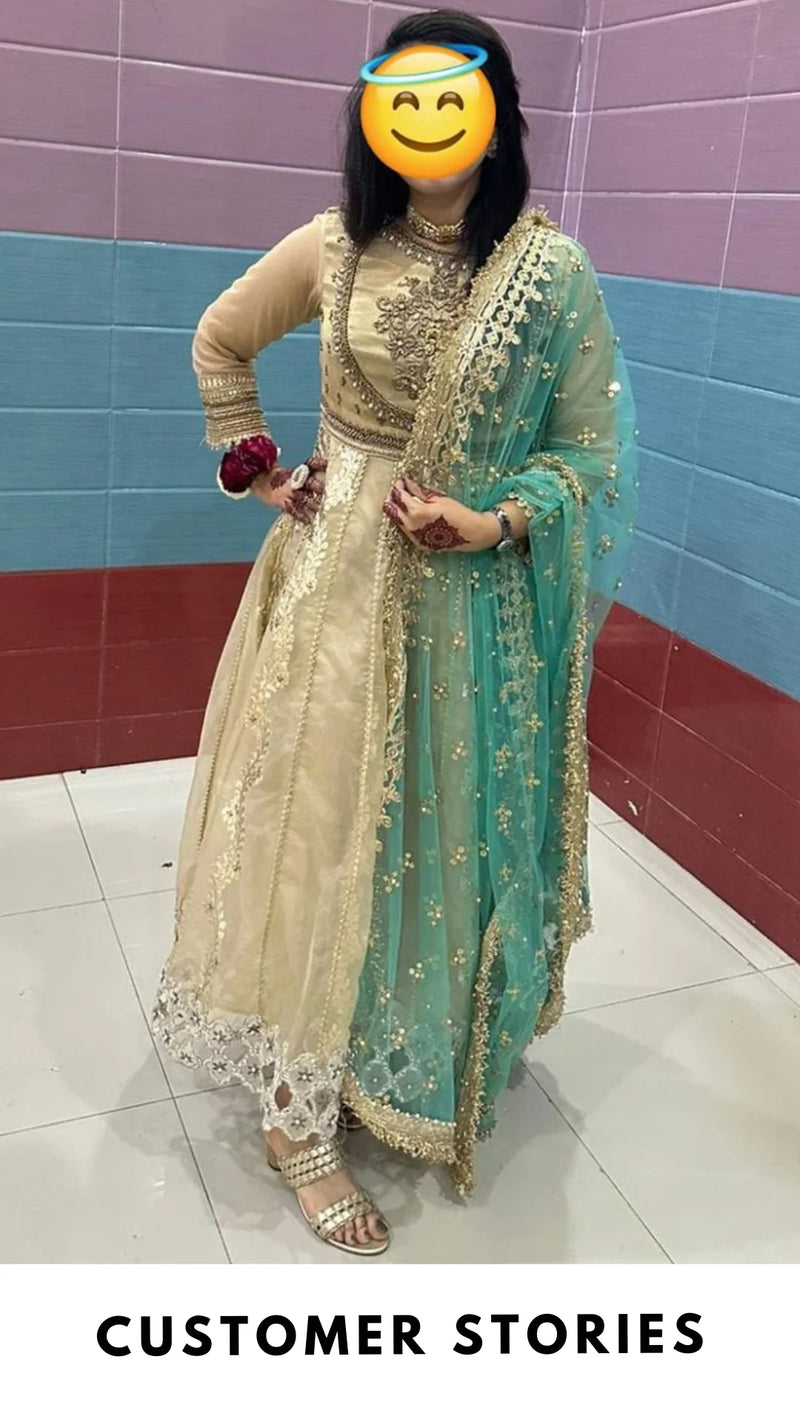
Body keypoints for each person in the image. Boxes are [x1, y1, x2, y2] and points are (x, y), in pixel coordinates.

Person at [151, 7, 637, 1257]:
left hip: (469, 603)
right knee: (318, 832)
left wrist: (495, 520)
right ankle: (296, 1118)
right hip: (335, 588)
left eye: (450, 99)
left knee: (432, 833)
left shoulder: (550, 272)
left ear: (497, 116)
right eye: (400, 103)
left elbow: (588, 452)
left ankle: (389, 1054)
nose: (425, 125)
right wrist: (255, 468)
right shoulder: (334, 246)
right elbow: (219, 341)